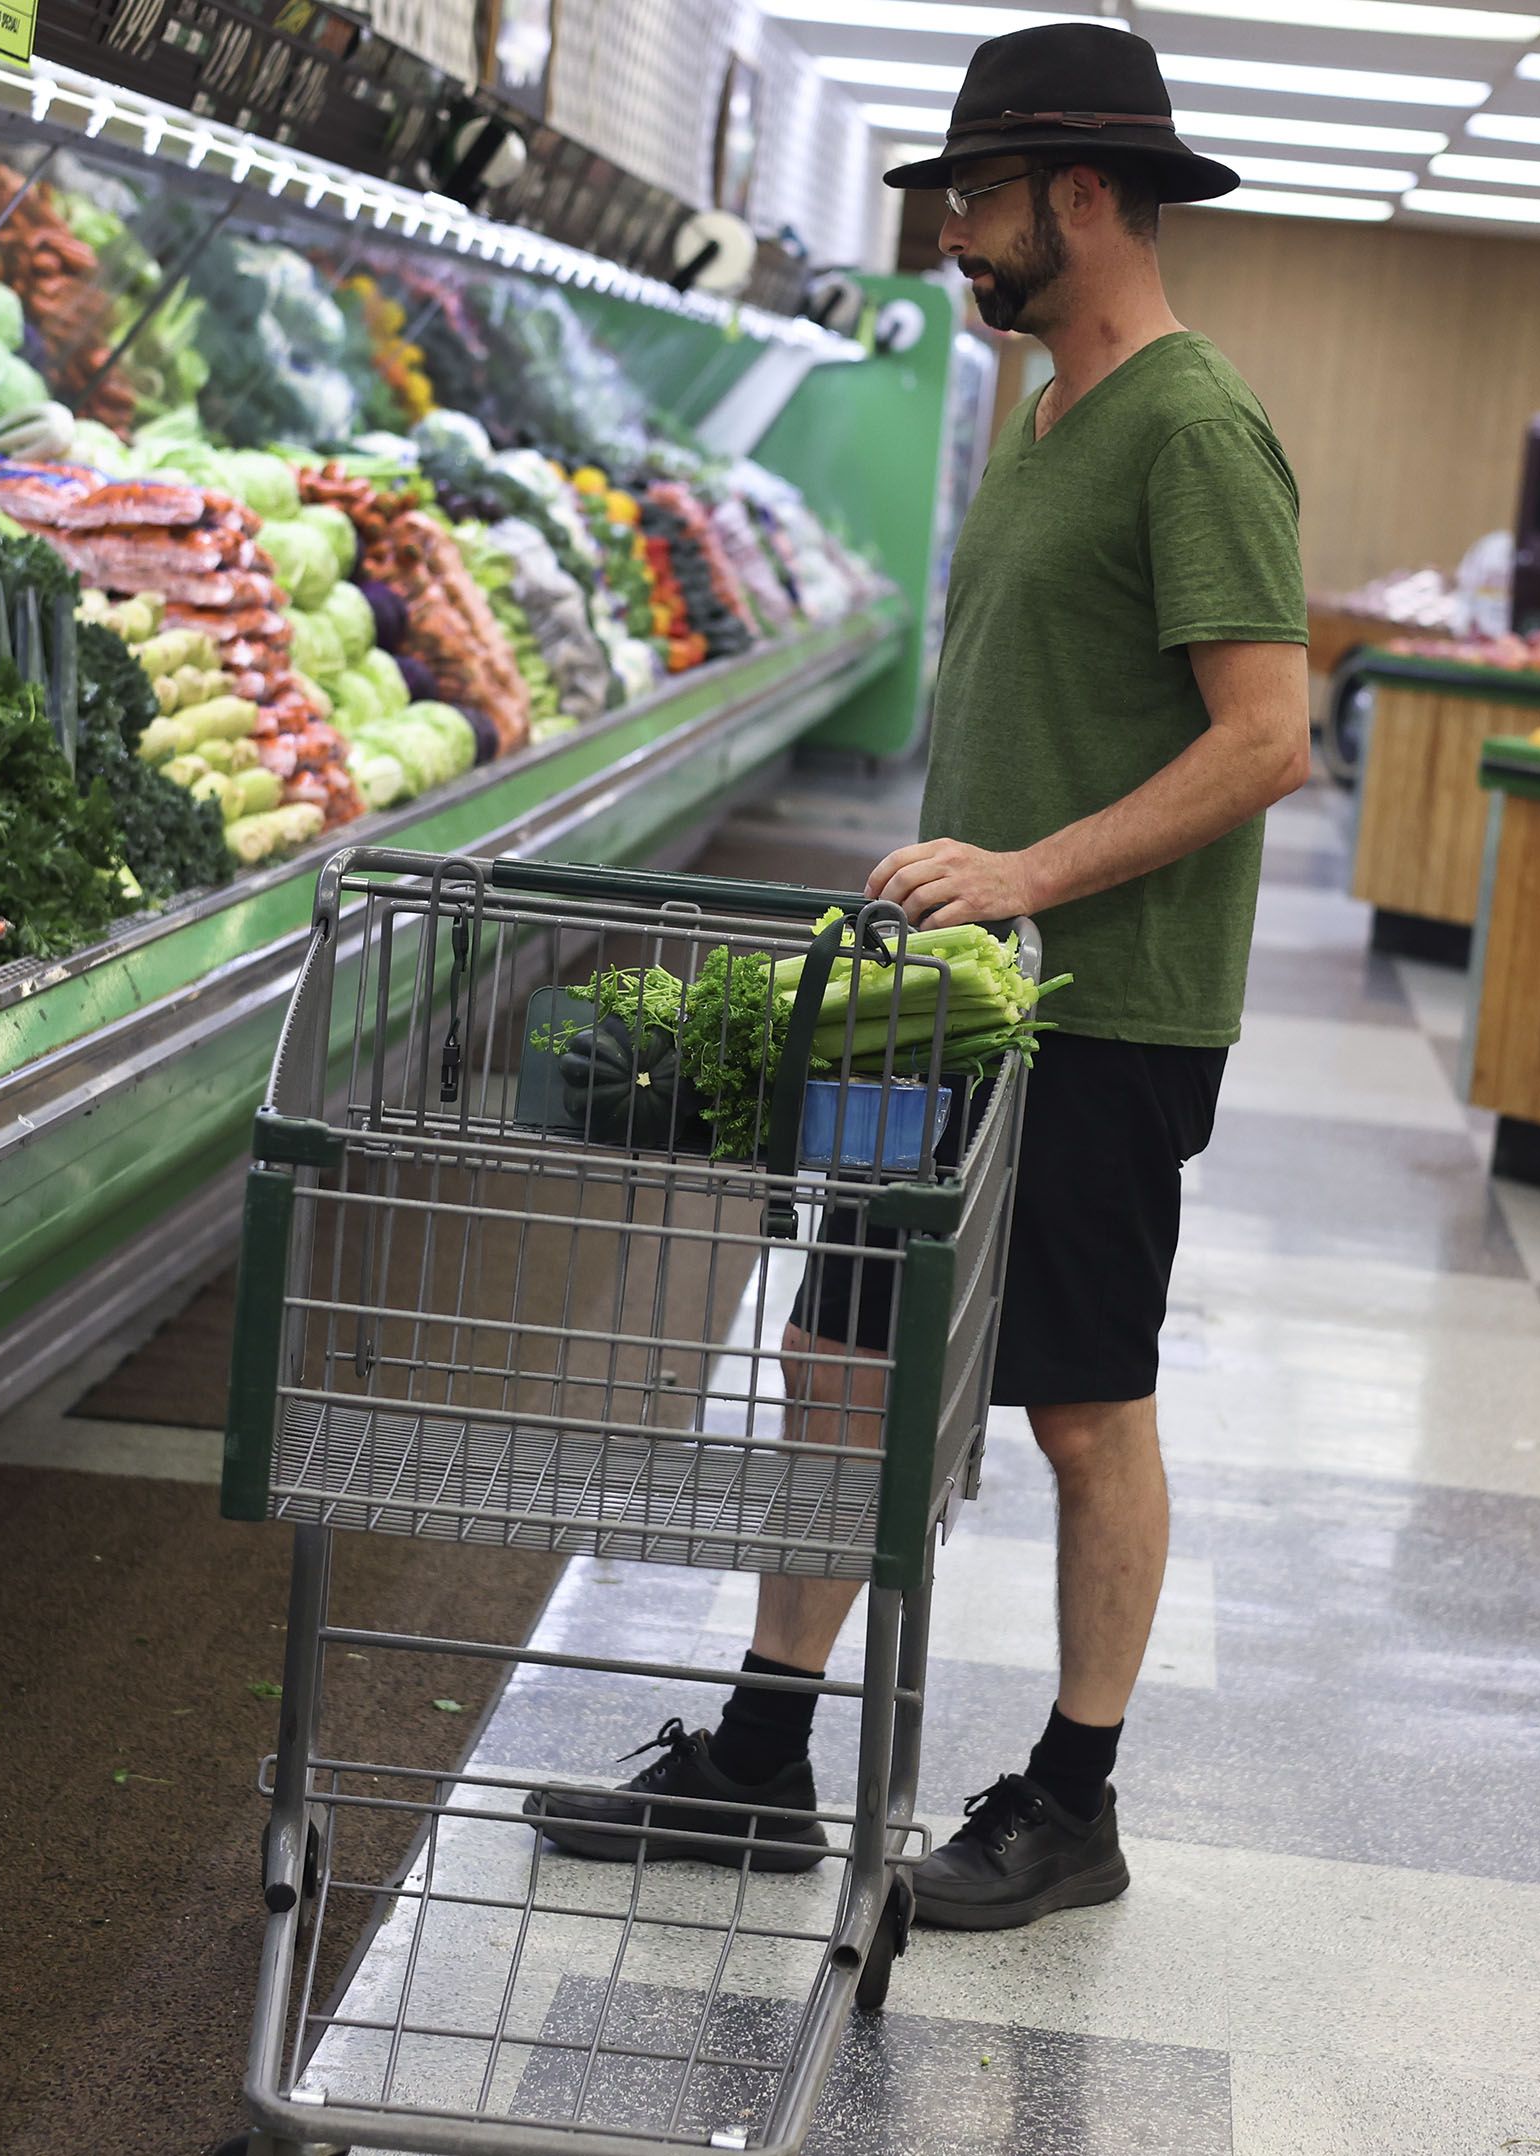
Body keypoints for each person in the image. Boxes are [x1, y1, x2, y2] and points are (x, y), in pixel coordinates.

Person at [527, 19, 1310, 1932]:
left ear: (1088, 196)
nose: (955, 233)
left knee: (1080, 1406)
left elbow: (1269, 734)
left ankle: (1075, 1796)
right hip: (947, 1014)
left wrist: (1029, 876)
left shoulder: (1194, 426)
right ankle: (764, 1757)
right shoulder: (1042, 407)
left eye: (979, 197)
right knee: (836, 1357)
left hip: (1101, 1018)